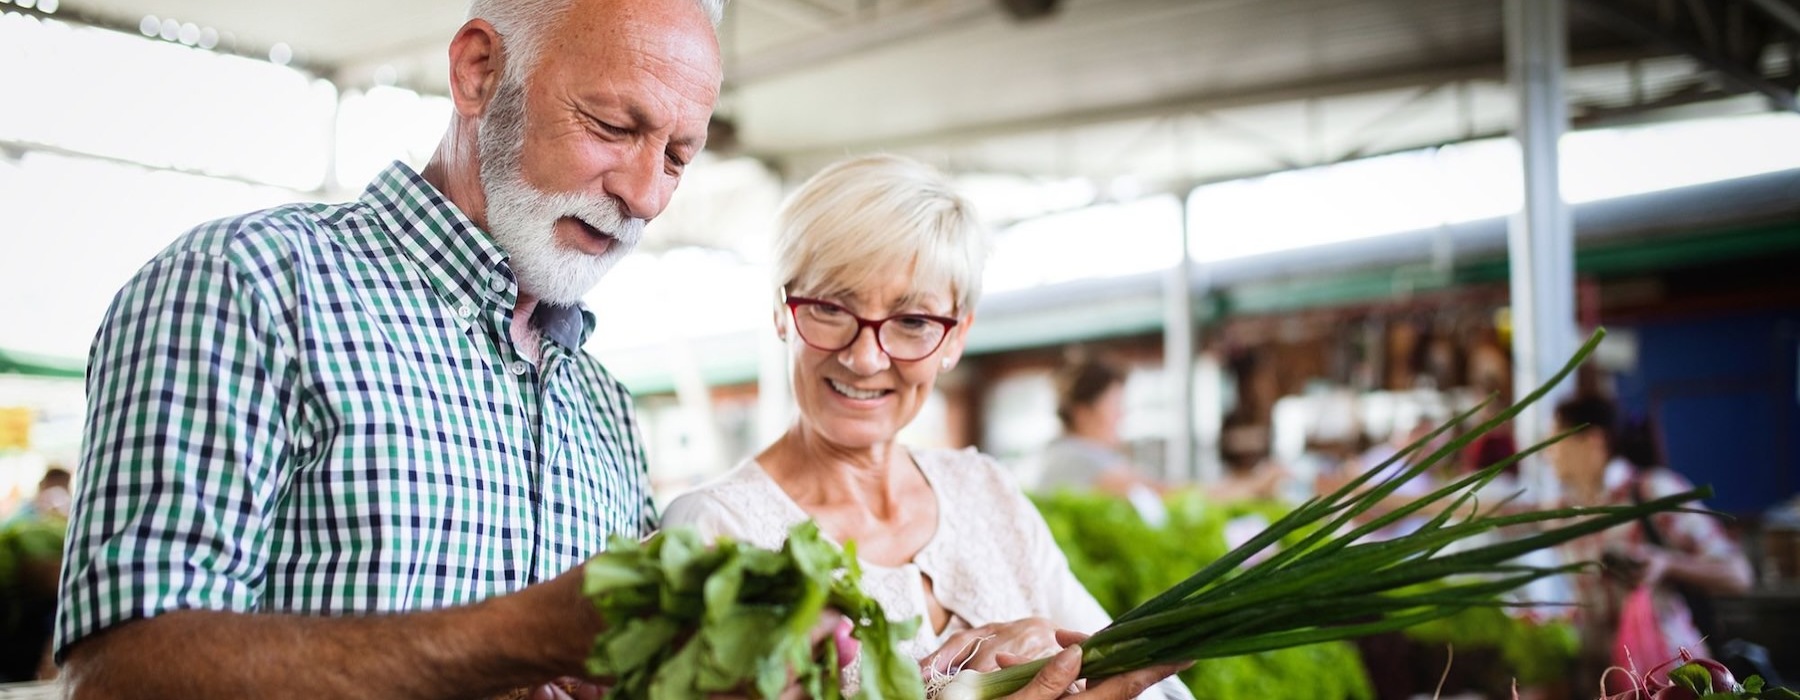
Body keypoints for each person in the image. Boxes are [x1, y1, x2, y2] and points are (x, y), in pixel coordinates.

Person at [57, 1, 721, 697]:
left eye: (677, 158)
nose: (644, 196)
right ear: (478, 71)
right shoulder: (248, 285)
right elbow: (119, 671)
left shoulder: (603, 404)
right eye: (613, 127)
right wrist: (522, 638)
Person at [662, 155, 1190, 699]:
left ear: (956, 337)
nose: (865, 358)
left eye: (912, 322)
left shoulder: (984, 491)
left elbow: (1157, 689)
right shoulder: (715, 529)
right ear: (781, 312)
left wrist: (1059, 657)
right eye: (830, 308)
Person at [1547, 396, 1753, 694]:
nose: (1548, 454)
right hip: (1605, 684)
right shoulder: (1568, 511)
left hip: (1673, 682)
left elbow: (1739, 574)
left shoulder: (1653, 492)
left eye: (1555, 442)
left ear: (1592, 441)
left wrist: (1667, 563)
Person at [1036, 353, 1173, 525]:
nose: (1122, 415)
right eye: (1114, 405)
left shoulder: (1097, 455)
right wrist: (1208, 493)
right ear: (1082, 413)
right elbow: (1145, 488)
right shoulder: (1069, 457)